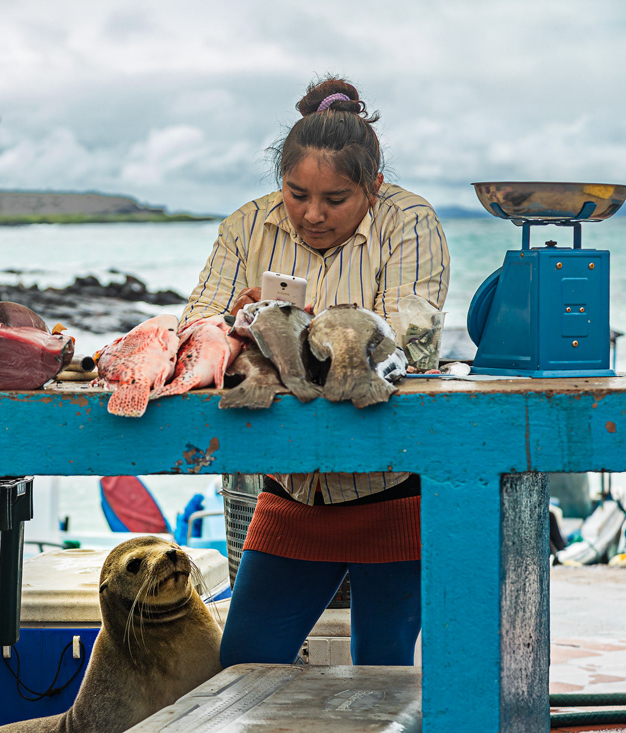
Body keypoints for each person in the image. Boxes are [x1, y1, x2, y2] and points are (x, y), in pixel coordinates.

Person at [181, 77, 450, 667]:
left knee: (383, 675)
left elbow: (408, 340)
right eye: (296, 193)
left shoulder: (410, 222)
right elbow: (197, 325)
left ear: (374, 187)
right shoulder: (247, 226)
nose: (311, 214)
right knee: (244, 666)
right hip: (291, 490)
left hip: (393, 489)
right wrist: (236, 319)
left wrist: (305, 334)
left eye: (336, 199)